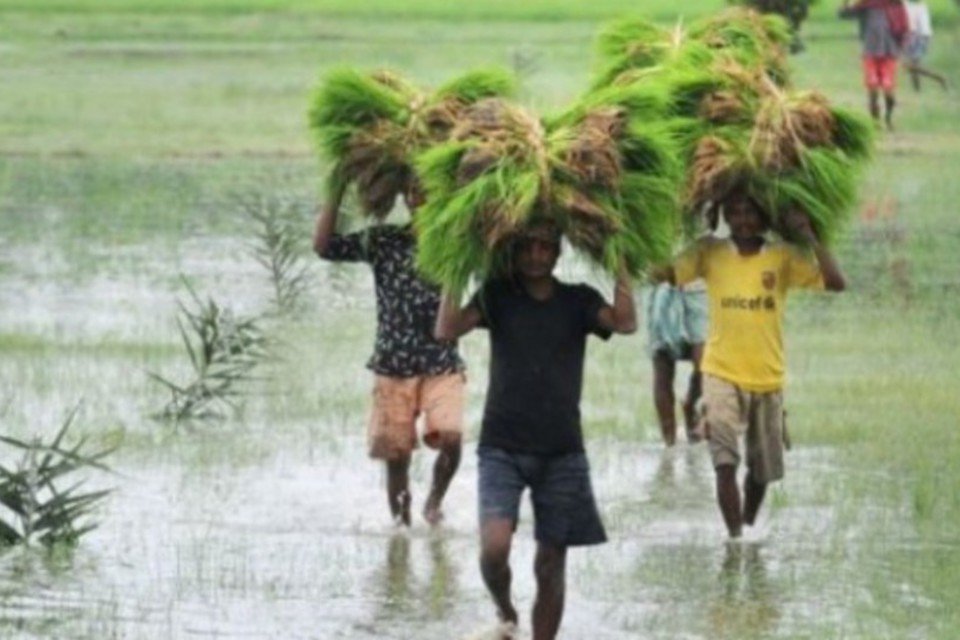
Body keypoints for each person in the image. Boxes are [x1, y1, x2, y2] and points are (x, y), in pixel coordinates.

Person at [435, 221, 636, 640]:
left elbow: (625, 322)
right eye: (527, 248)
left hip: (562, 450)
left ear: (559, 252)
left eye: (545, 248)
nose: (536, 256)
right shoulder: (498, 295)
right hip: (501, 445)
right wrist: (455, 267)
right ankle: (506, 608)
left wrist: (620, 260)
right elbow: (447, 329)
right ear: (513, 251)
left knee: (551, 562)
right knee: (493, 548)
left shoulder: (578, 300)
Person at [662, 186, 846, 540]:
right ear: (724, 215)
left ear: (767, 216)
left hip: (767, 376)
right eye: (735, 212)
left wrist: (810, 235)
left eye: (751, 212)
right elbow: (666, 273)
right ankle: (735, 541)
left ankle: (746, 527)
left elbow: (836, 282)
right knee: (724, 463)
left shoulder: (783, 257)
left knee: (761, 472)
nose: (743, 221)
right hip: (720, 372)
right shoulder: (708, 252)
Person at [313, 180, 465, 528]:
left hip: (441, 363)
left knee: (452, 436)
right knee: (396, 455)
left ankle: (434, 502)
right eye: (412, 189)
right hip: (392, 365)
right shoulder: (384, 241)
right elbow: (325, 247)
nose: (419, 196)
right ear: (405, 196)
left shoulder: (456, 243)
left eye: (427, 188)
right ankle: (401, 527)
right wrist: (336, 190)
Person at [645, 282, 707, 446]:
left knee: (705, 366)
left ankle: (691, 404)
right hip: (663, 289)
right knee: (662, 366)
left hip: (700, 288)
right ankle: (669, 443)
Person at [839, 0, 904, 129]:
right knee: (872, 88)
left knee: (888, 89)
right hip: (870, 51)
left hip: (889, 52)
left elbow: (903, 27)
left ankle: (888, 118)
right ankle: (875, 121)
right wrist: (846, 3)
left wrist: (901, 46)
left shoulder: (895, 4)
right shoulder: (865, 5)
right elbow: (844, 14)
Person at [903, 0, 948, 92]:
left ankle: (939, 78)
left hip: (919, 37)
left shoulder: (921, 7)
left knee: (911, 65)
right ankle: (917, 89)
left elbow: (923, 28)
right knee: (911, 66)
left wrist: (922, 39)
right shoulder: (907, 4)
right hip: (912, 36)